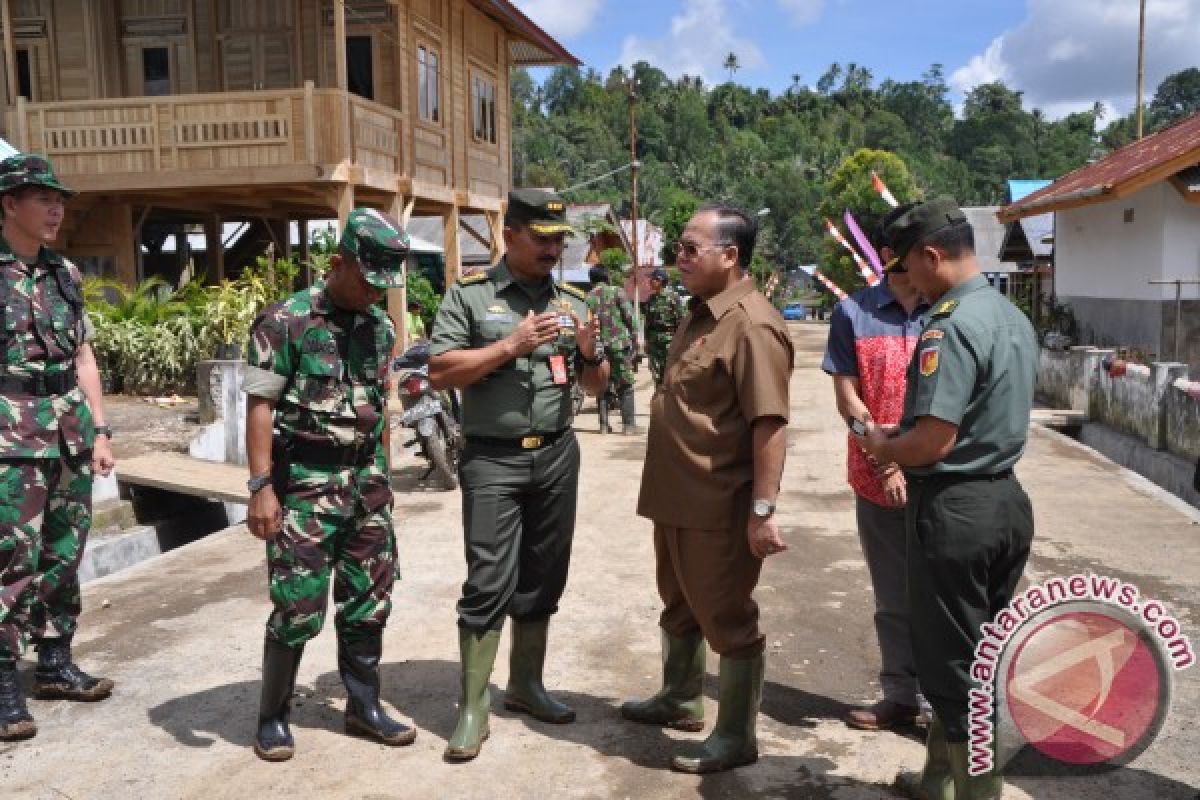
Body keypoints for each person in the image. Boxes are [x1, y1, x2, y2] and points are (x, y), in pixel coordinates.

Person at [856, 197, 1036, 800]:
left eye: (909, 265)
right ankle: (936, 778)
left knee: (955, 666)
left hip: (955, 509)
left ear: (932, 255)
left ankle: (977, 792)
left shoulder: (949, 324)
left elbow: (933, 439)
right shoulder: (1011, 316)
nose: (908, 279)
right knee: (982, 651)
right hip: (1006, 501)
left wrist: (884, 444)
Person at [428, 188, 608, 762]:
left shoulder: (575, 301)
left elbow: (597, 386)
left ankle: (527, 686)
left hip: (556, 455)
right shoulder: (471, 296)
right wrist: (510, 345)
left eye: (560, 239)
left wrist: (588, 354)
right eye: (542, 238)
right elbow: (440, 371)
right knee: (487, 579)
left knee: (543, 575)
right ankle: (473, 706)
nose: (553, 249)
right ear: (509, 237)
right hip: (493, 458)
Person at [622, 204, 794, 774]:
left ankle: (736, 736)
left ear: (730, 255)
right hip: (674, 495)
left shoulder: (752, 323)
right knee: (679, 604)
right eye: (680, 246)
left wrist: (762, 510)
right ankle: (681, 696)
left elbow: (768, 423)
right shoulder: (701, 314)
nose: (680, 256)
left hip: (717, 503)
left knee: (727, 618)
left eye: (692, 247)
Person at [243, 207, 416, 762]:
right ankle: (273, 717)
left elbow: (378, 410)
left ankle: (362, 705)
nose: (374, 293)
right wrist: (260, 487)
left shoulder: (379, 327)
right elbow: (261, 405)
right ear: (337, 262)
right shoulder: (285, 321)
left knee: (370, 599)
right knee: (298, 605)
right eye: (368, 280)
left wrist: (385, 483)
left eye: (384, 284)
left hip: (365, 482)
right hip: (305, 484)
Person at [0, 154, 116, 742]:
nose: (55, 208)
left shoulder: (65, 274)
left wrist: (99, 428)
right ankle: (2, 684)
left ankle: (54, 663)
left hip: (68, 431)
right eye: (41, 197)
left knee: (63, 552)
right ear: (8, 205)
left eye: (59, 198)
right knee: (8, 561)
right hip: (8, 435)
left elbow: (83, 358)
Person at [821, 214, 930, 732]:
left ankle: (941, 701)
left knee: (940, 592)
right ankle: (900, 695)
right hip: (874, 476)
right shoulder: (853, 312)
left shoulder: (948, 310)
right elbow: (847, 395)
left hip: (939, 476)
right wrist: (885, 460)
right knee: (892, 594)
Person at [586, 265, 639, 434]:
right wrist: (635, 336)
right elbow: (629, 316)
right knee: (625, 384)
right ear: (606, 276)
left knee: (603, 384)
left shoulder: (588, 297)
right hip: (619, 346)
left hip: (598, 348)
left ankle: (603, 425)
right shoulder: (617, 291)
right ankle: (629, 426)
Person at [642, 268, 685, 387]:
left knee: (671, 373)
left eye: (653, 279)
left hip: (669, 341)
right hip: (654, 342)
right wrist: (646, 341)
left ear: (660, 280)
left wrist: (680, 342)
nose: (650, 281)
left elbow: (680, 320)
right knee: (656, 376)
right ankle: (660, 400)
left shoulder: (673, 297)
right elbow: (647, 323)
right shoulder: (651, 299)